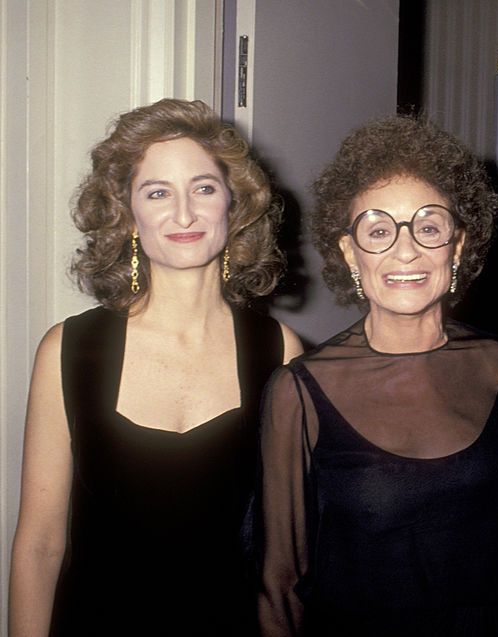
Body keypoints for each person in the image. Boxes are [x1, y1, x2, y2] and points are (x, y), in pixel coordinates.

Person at [8, 98, 303, 637]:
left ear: (233, 207)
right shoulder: (67, 350)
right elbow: (41, 544)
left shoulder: (279, 350)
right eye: (158, 192)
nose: (184, 213)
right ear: (128, 214)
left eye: (204, 188)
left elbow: (287, 553)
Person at [258, 115, 498, 636]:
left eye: (428, 226)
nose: (405, 249)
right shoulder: (299, 392)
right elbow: (280, 580)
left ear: (457, 246)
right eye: (378, 230)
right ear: (350, 251)